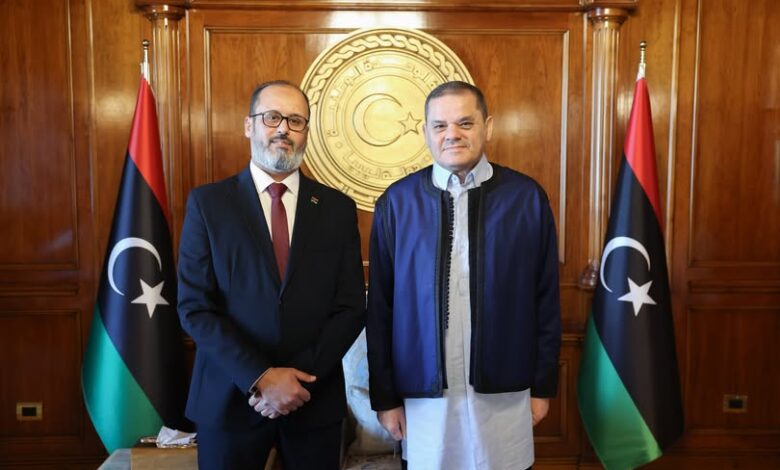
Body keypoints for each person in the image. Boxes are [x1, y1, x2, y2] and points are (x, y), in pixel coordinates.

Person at [366, 81, 561, 469]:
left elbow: (546, 300)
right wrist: (385, 398)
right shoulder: (397, 202)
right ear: (425, 132)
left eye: (465, 123)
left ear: (487, 126)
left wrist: (542, 386)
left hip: (504, 389)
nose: (452, 134)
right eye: (440, 126)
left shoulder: (526, 198)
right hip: (424, 395)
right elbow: (381, 309)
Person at [178, 80, 365, 470]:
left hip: (312, 399)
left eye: (295, 121)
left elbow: (350, 307)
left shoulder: (337, 209)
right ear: (249, 125)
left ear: (306, 132)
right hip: (229, 399)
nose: (283, 129)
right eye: (272, 117)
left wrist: (295, 382)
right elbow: (195, 307)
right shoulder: (209, 204)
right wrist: (260, 377)